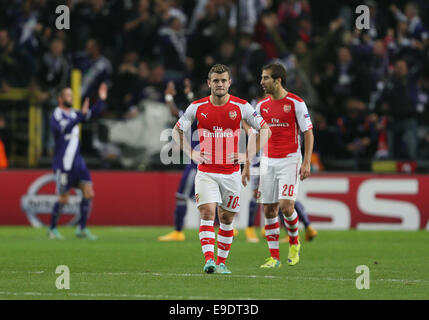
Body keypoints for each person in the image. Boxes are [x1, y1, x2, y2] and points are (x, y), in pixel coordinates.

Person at [172, 64, 271, 274]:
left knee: (226, 218)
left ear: (229, 83)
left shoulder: (241, 107)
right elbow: (176, 131)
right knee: (207, 213)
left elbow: (265, 129)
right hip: (206, 171)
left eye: (223, 80)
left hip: (231, 173)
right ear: (209, 83)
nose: (219, 84)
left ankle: (221, 262)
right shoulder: (196, 107)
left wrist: (247, 156)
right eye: (215, 81)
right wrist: (192, 153)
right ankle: (209, 260)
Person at [242, 63, 314, 267]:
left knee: (285, 205)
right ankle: (274, 257)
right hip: (267, 161)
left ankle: (294, 242)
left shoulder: (296, 103)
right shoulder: (261, 106)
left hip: (290, 159)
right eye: (261, 77)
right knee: (269, 210)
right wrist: (247, 163)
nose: (261, 82)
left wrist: (306, 161)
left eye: (265, 78)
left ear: (278, 80)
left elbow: (308, 133)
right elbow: (256, 136)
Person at [48, 83, 107, 240]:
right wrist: (81, 115)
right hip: (64, 162)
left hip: (78, 161)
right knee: (64, 198)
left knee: (88, 193)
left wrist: (100, 100)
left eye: (71, 95)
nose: (71, 98)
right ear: (60, 99)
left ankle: (81, 228)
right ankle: (52, 229)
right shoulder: (57, 115)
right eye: (68, 95)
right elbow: (65, 128)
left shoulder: (74, 113)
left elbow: (90, 114)